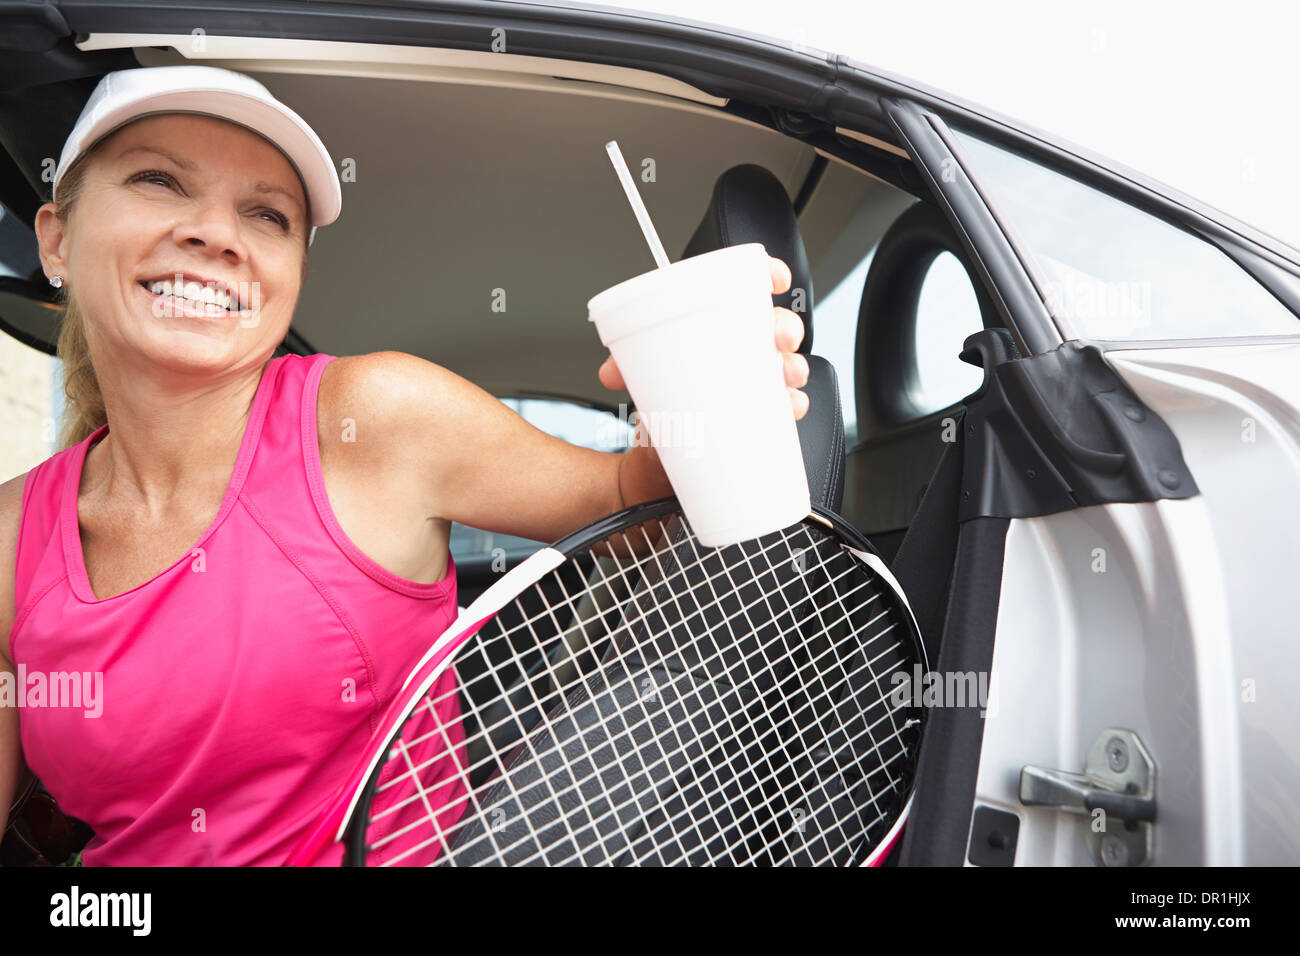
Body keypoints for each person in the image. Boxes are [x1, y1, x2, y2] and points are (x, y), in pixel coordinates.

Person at [0, 66, 811, 865]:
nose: (217, 232)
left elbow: (630, 505)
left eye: (267, 215)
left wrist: (697, 400)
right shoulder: (10, 535)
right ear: (56, 240)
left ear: (293, 278)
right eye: (159, 181)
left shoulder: (376, 416)